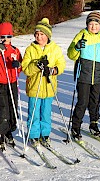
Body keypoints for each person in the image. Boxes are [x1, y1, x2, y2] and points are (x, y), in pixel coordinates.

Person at [22, 18, 66, 147]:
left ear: (47, 35)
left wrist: (54, 70)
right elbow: (26, 69)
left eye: (42, 34)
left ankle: (45, 134)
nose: (39, 37)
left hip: (48, 88)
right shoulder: (30, 49)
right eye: (37, 34)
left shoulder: (54, 48)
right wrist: (37, 65)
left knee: (46, 113)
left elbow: (61, 63)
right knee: (34, 113)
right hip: (35, 87)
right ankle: (34, 135)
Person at [68, 11, 100, 139]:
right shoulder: (81, 35)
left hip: (98, 75)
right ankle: (76, 127)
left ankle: (94, 124)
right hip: (83, 75)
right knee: (82, 102)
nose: (93, 27)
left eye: (96, 24)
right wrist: (76, 47)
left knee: (95, 102)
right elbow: (71, 55)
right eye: (91, 24)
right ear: (87, 24)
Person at [0, 22, 22, 149]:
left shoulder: (15, 50)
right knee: (2, 109)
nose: (5, 39)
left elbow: (20, 67)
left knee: (12, 109)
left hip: (12, 83)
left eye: (8, 36)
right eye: (2, 36)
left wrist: (17, 65)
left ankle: (8, 131)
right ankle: (0, 133)